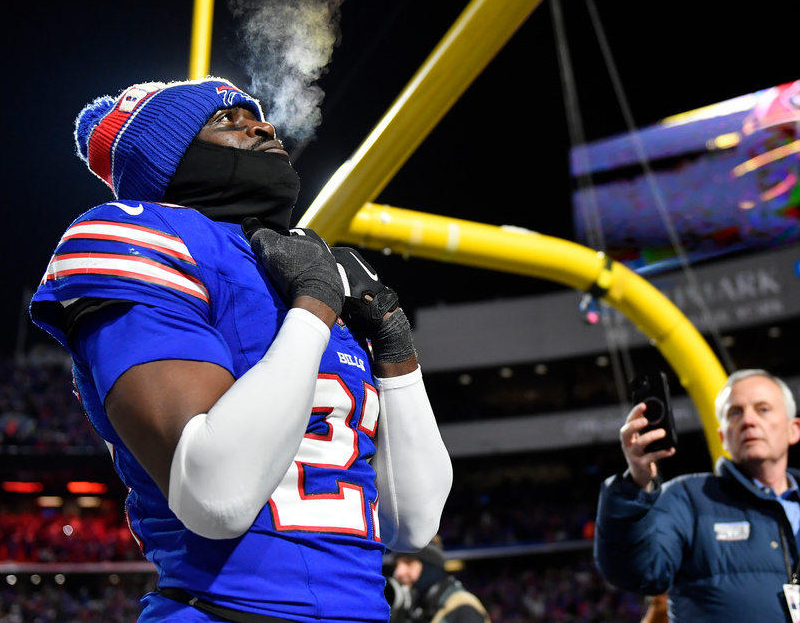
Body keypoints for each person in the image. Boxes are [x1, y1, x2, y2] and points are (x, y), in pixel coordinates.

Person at [30, 77, 453, 622]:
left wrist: (393, 341)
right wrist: (315, 305)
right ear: (168, 159)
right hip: (223, 609)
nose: (261, 124)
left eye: (255, 114)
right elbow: (217, 496)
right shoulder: (137, 233)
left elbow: (413, 522)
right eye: (225, 120)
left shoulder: (291, 265)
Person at [594, 369, 800, 622]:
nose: (748, 421)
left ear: (794, 429)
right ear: (723, 437)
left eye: (763, 409)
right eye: (735, 413)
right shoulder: (687, 499)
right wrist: (635, 484)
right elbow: (634, 571)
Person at [385, 537, 489, 623]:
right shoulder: (418, 611)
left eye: (409, 563)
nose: (398, 572)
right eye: (396, 565)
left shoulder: (464, 608)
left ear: (429, 568)